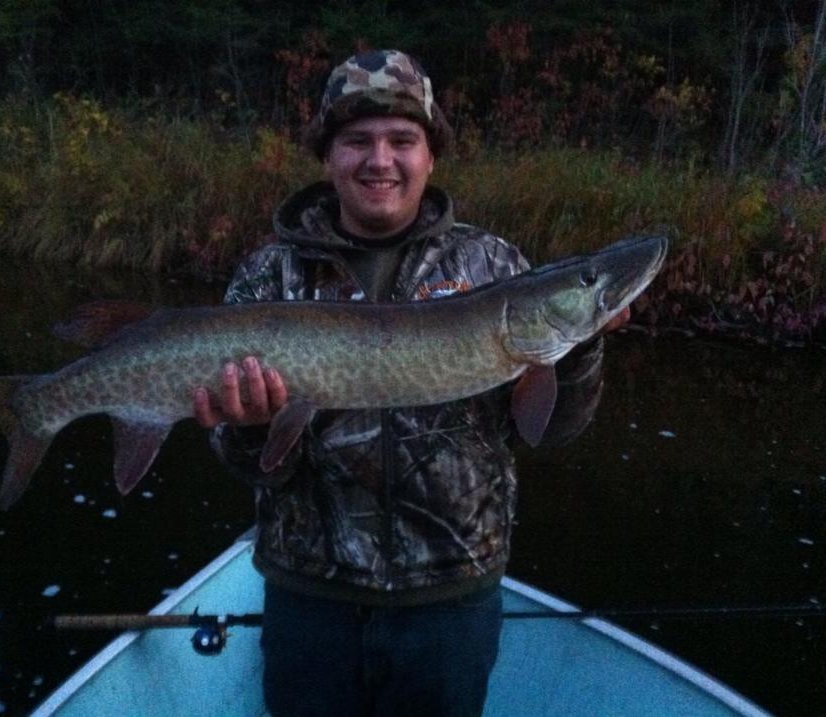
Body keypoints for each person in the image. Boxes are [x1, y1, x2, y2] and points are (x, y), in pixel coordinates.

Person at [193, 49, 623, 717]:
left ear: (430, 155)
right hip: (311, 599)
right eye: (357, 141)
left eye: (402, 140)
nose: (380, 160)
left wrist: (582, 346)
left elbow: (551, 427)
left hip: (450, 603)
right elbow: (243, 461)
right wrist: (249, 429)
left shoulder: (494, 265)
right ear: (327, 156)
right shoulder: (269, 276)